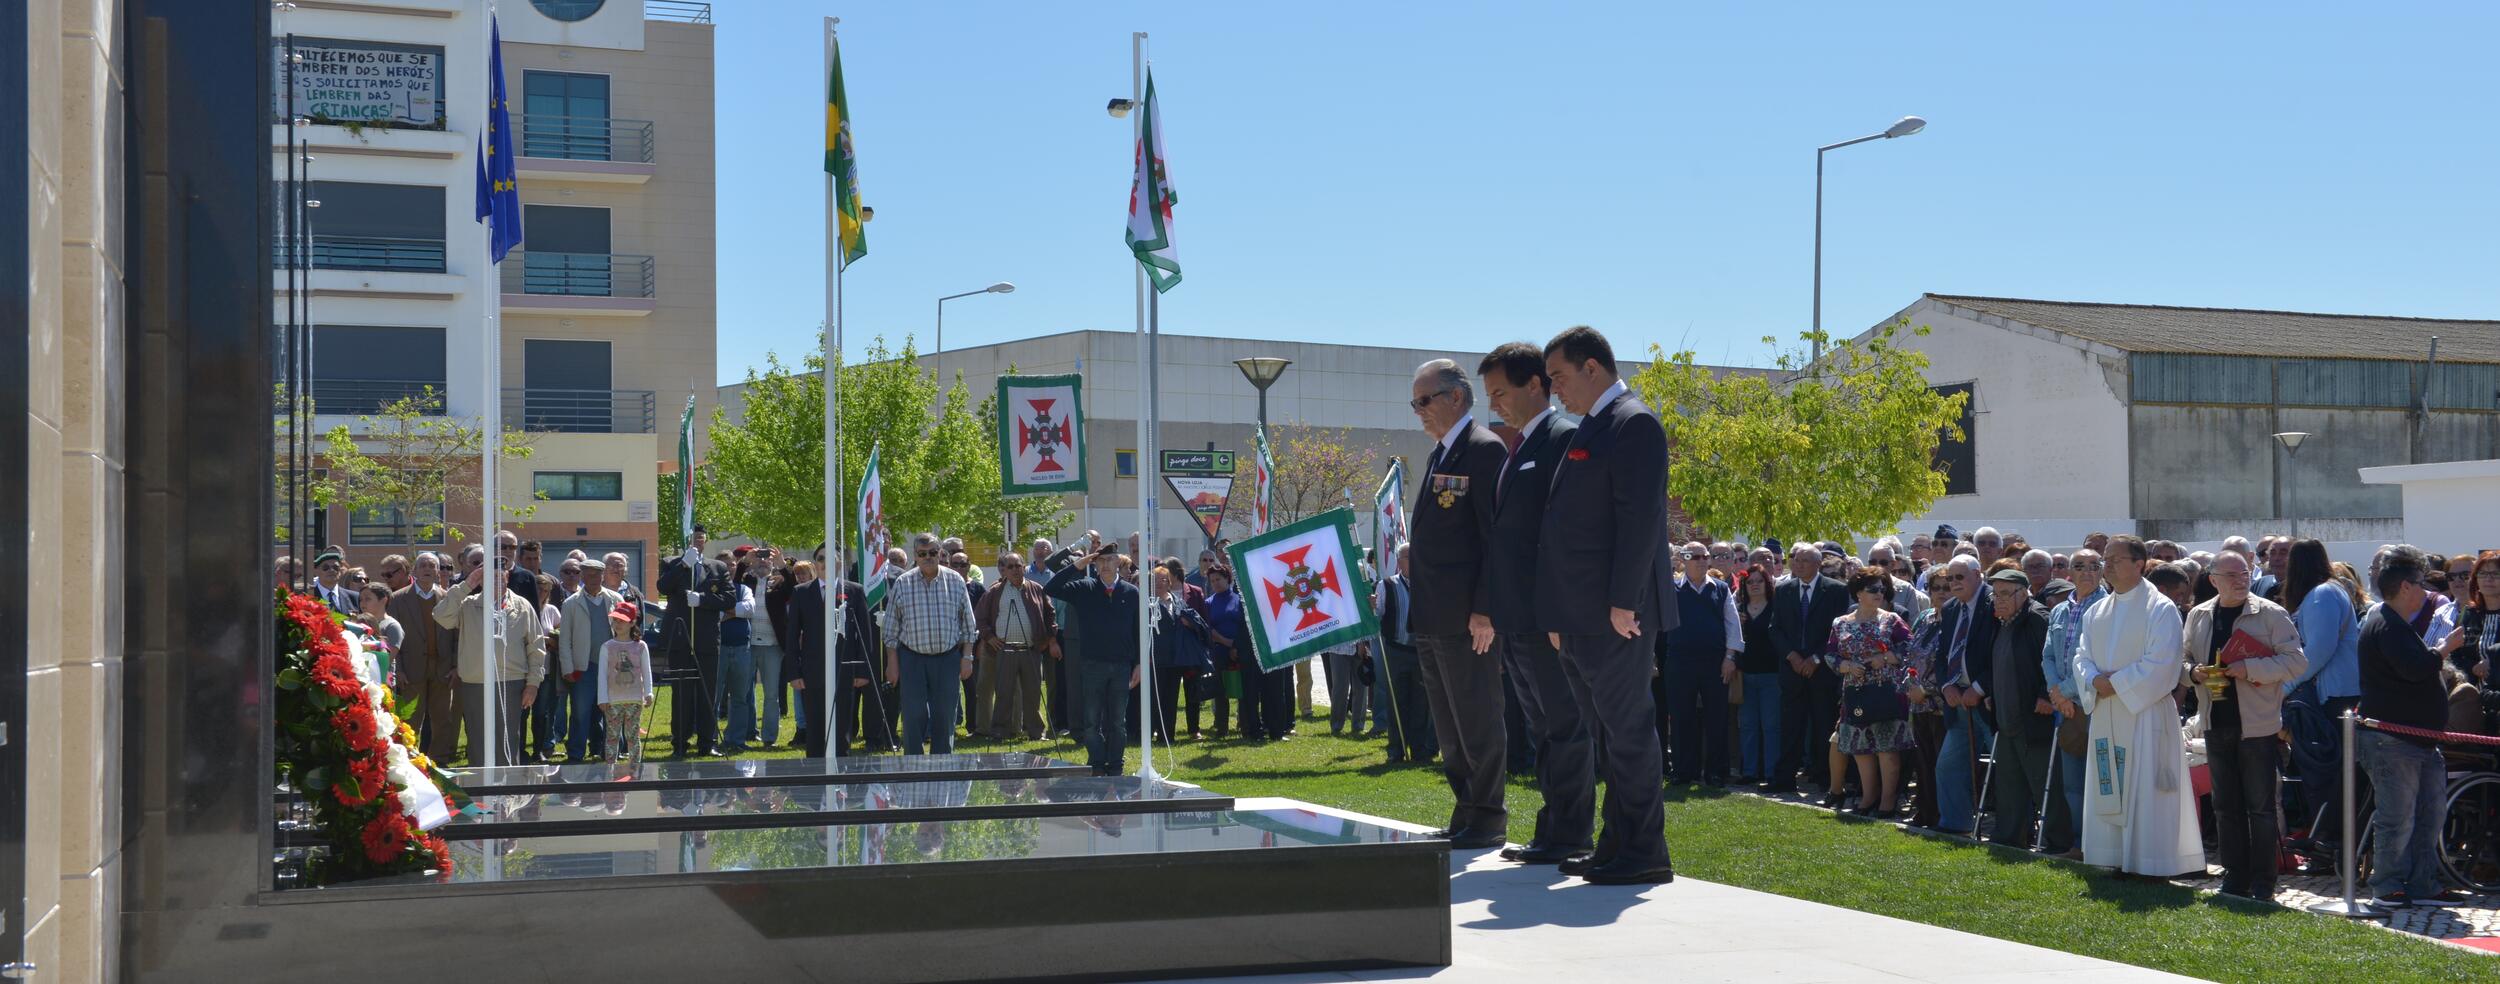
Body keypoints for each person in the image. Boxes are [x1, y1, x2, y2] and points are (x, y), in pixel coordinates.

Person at [1536, 325, 1677, 884]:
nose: (1554, 391)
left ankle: (1644, 852)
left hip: (1616, 615)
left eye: (1560, 377)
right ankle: (1616, 845)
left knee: (1628, 731)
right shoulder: (1595, 426)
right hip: (1582, 617)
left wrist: (1623, 602)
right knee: (1610, 736)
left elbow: (1640, 520)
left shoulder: (1633, 422)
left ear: (1592, 368)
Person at [1405, 357, 1511, 851]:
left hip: (1468, 619)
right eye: (1414, 403)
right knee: (1449, 725)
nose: (1418, 411)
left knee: (1476, 718)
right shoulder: (1439, 455)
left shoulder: (1483, 450)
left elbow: (1496, 539)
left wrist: (1486, 609)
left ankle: (1488, 816)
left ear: (1456, 397)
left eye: (1424, 401)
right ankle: (1466, 810)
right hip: (1431, 616)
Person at [2072, 535, 2202, 877]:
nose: (2106, 565)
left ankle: (2149, 862)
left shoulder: (2159, 608)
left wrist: (2114, 684)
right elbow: (2081, 656)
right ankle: (2112, 856)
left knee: (2143, 790)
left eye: (2115, 559)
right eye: (2105, 559)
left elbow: (2163, 663)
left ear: (2139, 564)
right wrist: (2093, 681)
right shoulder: (2097, 610)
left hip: (2143, 713)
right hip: (2106, 711)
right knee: (2109, 782)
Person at [2183, 550, 2307, 901]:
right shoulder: (2199, 614)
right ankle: (2234, 878)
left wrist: (2250, 668)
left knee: (2261, 807)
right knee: (2225, 806)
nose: (2241, 580)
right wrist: (2193, 673)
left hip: (2257, 725)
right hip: (2214, 720)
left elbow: (2297, 661)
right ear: (2213, 580)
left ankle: (2264, 883)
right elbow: (2182, 659)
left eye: (2246, 573)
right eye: (2232, 575)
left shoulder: (2270, 613)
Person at [2356, 554, 2474, 907]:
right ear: (2405, 587)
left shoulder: (2393, 621)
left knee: (2429, 813)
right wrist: (2444, 649)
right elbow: (2412, 668)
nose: (2425, 592)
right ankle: (2388, 885)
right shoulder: (2385, 623)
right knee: (2398, 817)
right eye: (2420, 585)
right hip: (2394, 741)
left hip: (2419, 741)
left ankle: (2423, 882)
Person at [432, 545, 546, 767]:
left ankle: (507, 792)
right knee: (477, 739)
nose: (496, 581)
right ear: (480, 579)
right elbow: (441, 616)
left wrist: (533, 683)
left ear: (507, 577)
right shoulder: (468, 604)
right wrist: (466, 585)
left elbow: (536, 646)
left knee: (508, 739)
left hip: (511, 681)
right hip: (476, 682)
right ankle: (482, 792)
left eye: (501, 576)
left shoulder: (521, 606)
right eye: (489, 577)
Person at [1046, 540, 1143, 775]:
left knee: (1117, 722)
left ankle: (1116, 765)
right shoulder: (1085, 588)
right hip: (1092, 664)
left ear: (1119, 562)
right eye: (1101, 560)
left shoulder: (1131, 592)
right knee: (1091, 720)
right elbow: (1051, 588)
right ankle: (1097, 763)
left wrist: (1139, 663)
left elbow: (1138, 630)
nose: (1106, 565)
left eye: (1111, 560)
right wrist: (1078, 565)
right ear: (1095, 564)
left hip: (1121, 665)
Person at [1827, 565, 1915, 817]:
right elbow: (1830, 654)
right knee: (1861, 750)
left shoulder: (1892, 620)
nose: (1880, 593)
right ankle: (1868, 799)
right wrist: (1845, 665)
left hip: (1887, 693)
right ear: (1857, 594)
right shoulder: (1841, 623)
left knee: (1887, 751)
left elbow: (1911, 646)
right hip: (1854, 694)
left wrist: (1886, 657)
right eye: (1873, 589)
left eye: (1882, 588)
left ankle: (1888, 803)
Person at [881, 533, 980, 756]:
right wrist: (892, 663)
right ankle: (913, 767)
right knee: (913, 715)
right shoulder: (903, 583)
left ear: (941, 554)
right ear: (915, 555)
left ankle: (942, 767)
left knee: (945, 716)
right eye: (922, 554)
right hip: (912, 658)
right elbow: (890, 629)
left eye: (933, 553)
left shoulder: (955, 581)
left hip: (947, 658)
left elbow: (968, 624)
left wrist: (967, 658)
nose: (928, 557)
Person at [2039, 548, 2106, 857]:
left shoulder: (2108, 607)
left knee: (2101, 781)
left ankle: (2102, 844)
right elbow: (2048, 656)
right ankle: (2080, 844)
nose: (2087, 571)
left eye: (2094, 565)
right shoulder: (2059, 611)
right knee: (2073, 783)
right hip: (2067, 708)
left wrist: (2064, 693)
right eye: (2080, 566)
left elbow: (2097, 660)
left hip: (2096, 705)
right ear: (2070, 572)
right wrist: (2056, 693)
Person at [1982, 566, 2055, 848]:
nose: (1997, 600)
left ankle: (2055, 841)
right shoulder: (2003, 622)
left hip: (2033, 717)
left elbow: (2048, 660)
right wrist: (1991, 694)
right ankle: (2009, 838)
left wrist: (2045, 695)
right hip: (2005, 717)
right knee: (2009, 783)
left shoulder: (2037, 619)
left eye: (2004, 594)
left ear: (2023, 594)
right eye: (1994, 595)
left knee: (2042, 782)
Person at [1772, 542, 1851, 797]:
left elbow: (1837, 630)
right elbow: (1776, 628)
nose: (1798, 564)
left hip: (1822, 670)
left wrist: (1816, 658)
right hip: (1792, 670)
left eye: (1804, 560)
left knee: (1823, 725)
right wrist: (1792, 656)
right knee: (1790, 725)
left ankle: (1825, 778)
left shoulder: (1836, 590)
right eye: (1795, 559)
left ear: (1818, 564)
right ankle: (1785, 779)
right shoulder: (1783, 589)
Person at [1930, 554, 1998, 836]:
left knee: (2007, 768)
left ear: (1978, 575)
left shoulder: (1994, 603)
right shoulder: (1951, 609)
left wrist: (1979, 688)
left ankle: (2013, 830)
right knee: (1948, 765)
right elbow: (1942, 655)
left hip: (1990, 701)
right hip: (1958, 703)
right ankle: (1955, 824)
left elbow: (2000, 653)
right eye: (1949, 579)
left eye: (1960, 577)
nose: (1953, 584)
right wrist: (1946, 686)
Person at [1662, 542, 1739, 786]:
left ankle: (1716, 771)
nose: (1702, 560)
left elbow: (1733, 625)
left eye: (1705, 556)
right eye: (1695, 556)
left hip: (1714, 663)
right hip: (1679, 661)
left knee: (1716, 718)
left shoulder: (1721, 589)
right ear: (1683, 559)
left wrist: (1730, 658)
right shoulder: (1670, 589)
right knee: (1681, 716)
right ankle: (1684, 771)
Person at [657, 526, 735, 758]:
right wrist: (684, 565)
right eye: (693, 538)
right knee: (681, 692)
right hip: (681, 638)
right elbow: (663, 587)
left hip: (707, 640)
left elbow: (729, 597)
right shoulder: (671, 562)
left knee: (706, 692)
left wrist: (703, 599)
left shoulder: (717, 567)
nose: (698, 541)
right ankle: (679, 741)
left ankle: (707, 742)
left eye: (701, 537)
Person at [974, 552, 1058, 741]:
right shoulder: (995, 591)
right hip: (1005, 651)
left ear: (1024, 567)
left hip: (1030, 650)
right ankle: (999, 731)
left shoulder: (1036, 589)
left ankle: (1036, 732)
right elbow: (980, 617)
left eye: (1017, 566)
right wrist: (989, 637)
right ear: (1004, 570)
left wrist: (1046, 639)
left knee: (1033, 694)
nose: (1014, 570)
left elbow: (1050, 614)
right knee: (1004, 694)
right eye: (1009, 566)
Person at [385, 552, 459, 762]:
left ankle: (439, 762)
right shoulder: (399, 599)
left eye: (432, 565)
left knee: (442, 719)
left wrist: (455, 666)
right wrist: (397, 669)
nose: (427, 569)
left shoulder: (447, 599)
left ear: (438, 571)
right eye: (423, 565)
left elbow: (456, 636)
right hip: (410, 670)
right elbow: (392, 639)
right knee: (410, 719)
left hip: (442, 670)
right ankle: (406, 760)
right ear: (415, 571)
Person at [1373, 547, 1438, 764]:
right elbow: (1379, 615)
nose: (1415, 562)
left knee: (1421, 702)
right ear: (1400, 562)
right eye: (1410, 558)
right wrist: (1372, 607)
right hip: (1396, 650)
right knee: (1397, 700)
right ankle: (1396, 749)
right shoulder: (1387, 585)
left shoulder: (1428, 584)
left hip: (1422, 651)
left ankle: (1419, 750)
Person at [556, 558, 624, 762]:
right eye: (588, 574)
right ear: (582, 576)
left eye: (597, 574)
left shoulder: (616, 598)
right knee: (580, 712)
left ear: (603, 576)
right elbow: (564, 639)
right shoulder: (571, 603)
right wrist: (568, 667)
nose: (593, 578)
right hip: (583, 667)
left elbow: (625, 632)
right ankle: (575, 754)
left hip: (612, 666)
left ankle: (611, 751)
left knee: (612, 712)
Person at [1150, 563, 1216, 742]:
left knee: (1171, 699)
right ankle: (1155, 733)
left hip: (1178, 658)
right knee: (1157, 699)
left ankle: (1168, 736)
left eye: (1163, 580)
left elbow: (1199, 622)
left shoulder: (1177, 601)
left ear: (1169, 582)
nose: (1160, 583)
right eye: (1156, 580)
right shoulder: (1147, 604)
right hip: (1156, 658)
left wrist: (1189, 624)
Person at [1733, 565, 1782, 785]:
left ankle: (1772, 772)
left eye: (1758, 581)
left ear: (1767, 584)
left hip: (1772, 675)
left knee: (1771, 726)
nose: (1754, 585)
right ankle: (1749, 771)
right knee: (1748, 725)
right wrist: (1738, 627)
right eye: (1749, 581)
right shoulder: (1738, 609)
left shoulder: (1776, 608)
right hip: (1745, 675)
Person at [596, 601, 654, 778]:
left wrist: (649, 692)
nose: (618, 623)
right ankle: (610, 767)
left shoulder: (641, 646)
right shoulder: (607, 646)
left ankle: (635, 767)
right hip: (613, 700)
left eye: (622, 620)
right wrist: (602, 698)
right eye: (615, 620)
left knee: (632, 735)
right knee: (612, 736)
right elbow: (602, 675)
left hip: (635, 699)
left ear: (632, 622)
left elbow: (646, 670)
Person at [348, 582, 403, 685]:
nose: (362, 603)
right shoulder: (358, 623)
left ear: (383, 600)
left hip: (382, 682)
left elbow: (387, 660)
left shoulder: (392, 626)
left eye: (368, 599)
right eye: (361, 600)